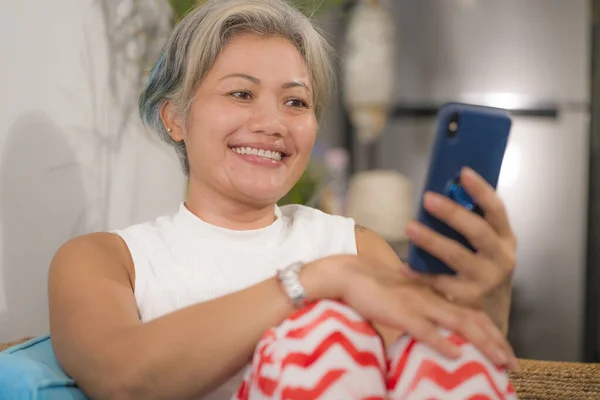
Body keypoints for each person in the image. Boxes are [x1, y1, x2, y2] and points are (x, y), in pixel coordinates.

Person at [48, 0, 520, 398]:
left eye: (295, 102)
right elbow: (121, 374)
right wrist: (318, 281)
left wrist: (489, 303)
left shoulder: (355, 246)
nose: (273, 123)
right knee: (325, 333)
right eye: (240, 93)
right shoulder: (106, 260)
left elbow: (434, 370)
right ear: (175, 118)